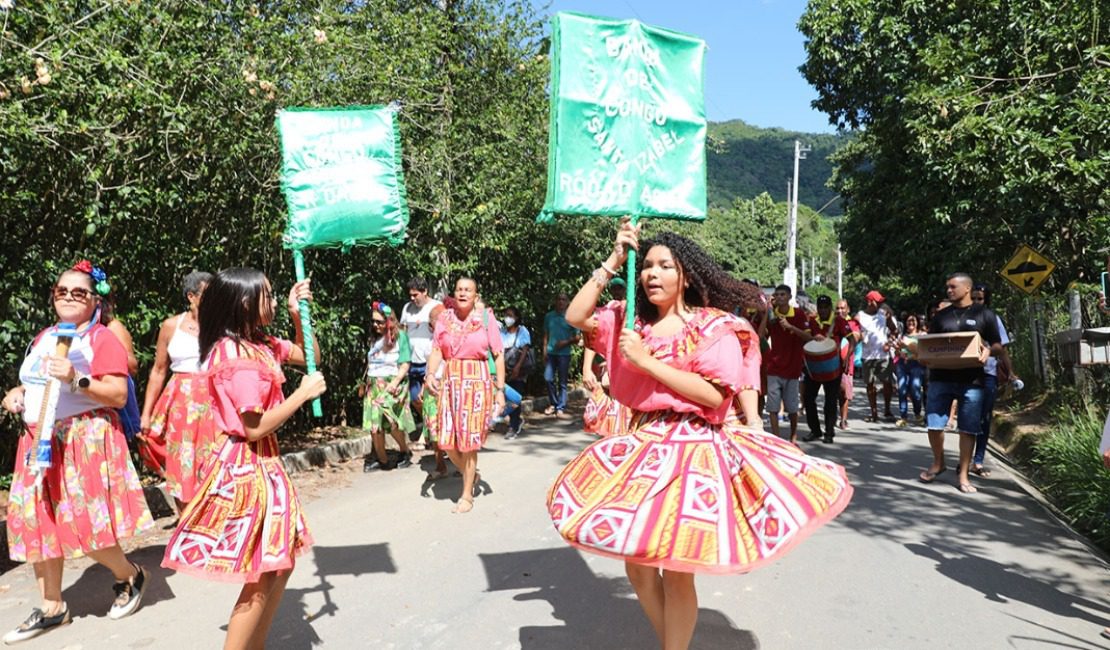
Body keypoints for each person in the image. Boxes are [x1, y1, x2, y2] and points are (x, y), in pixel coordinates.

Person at [548, 221, 853, 650]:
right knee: (636, 568)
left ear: (685, 275)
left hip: (693, 450)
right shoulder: (631, 322)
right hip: (643, 444)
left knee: (675, 568)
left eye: (664, 266)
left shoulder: (714, 327)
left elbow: (713, 397)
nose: (651, 274)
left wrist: (648, 363)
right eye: (647, 266)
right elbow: (575, 316)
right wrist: (615, 258)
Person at [162, 268, 326, 649]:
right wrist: (300, 396)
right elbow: (252, 428)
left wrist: (298, 313)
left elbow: (308, 356)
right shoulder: (234, 354)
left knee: (279, 565)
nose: (272, 302)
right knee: (261, 573)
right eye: (268, 296)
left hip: (264, 464)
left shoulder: (260, 343)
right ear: (246, 303)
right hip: (247, 465)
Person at [1, 261, 153, 644]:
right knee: (40, 525)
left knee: (88, 528)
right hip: (38, 440)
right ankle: (53, 608)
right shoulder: (43, 336)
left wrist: (76, 377)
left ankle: (130, 574)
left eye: (78, 292)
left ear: (93, 299)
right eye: (61, 291)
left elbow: (117, 394)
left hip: (82, 441)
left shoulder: (101, 338)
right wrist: (16, 394)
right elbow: (31, 382)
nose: (68, 297)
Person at [139, 271, 217, 514]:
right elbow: (158, 371)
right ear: (191, 297)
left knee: (214, 458)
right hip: (180, 403)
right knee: (181, 462)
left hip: (215, 400)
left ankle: (215, 520)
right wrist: (146, 414)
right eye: (208, 295)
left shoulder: (223, 326)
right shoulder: (171, 326)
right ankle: (187, 523)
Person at [425, 277, 505, 513]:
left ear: (475, 296)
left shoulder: (485, 318)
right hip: (450, 381)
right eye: (459, 289)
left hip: (476, 383)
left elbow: (498, 354)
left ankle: (466, 494)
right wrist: (431, 374)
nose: (462, 293)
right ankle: (472, 473)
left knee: (469, 442)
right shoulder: (444, 318)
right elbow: (437, 349)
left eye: (467, 290)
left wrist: (500, 390)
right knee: (446, 440)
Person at [917, 273, 1002, 494]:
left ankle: (963, 474)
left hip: (972, 380)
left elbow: (997, 345)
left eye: (953, 287)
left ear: (967, 289)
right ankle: (938, 462)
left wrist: (988, 351)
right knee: (934, 424)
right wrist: (923, 356)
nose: (949, 291)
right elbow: (929, 344)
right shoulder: (940, 317)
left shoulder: (985, 315)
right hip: (940, 378)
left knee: (968, 429)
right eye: (947, 287)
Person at [361, 301, 415, 471]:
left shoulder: (400, 337)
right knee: (374, 424)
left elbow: (405, 362)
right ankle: (382, 459)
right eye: (374, 321)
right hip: (374, 382)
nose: (376, 325)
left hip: (392, 382)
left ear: (389, 321)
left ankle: (404, 451)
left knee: (392, 422)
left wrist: (395, 382)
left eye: (380, 322)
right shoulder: (374, 337)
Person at [969, 284, 1014, 477]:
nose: (977, 302)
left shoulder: (993, 319)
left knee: (984, 418)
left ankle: (977, 460)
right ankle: (965, 459)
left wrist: (1011, 372)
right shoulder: (962, 318)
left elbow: (1002, 348)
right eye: (974, 298)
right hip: (966, 374)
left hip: (988, 374)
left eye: (980, 298)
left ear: (986, 300)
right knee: (968, 418)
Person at [802, 295, 853, 444]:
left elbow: (852, 340)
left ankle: (829, 432)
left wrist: (846, 358)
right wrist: (812, 338)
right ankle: (815, 430)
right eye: (820, 307)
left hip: (833, 366)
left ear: (830, 308)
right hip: (813, 367)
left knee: (830, 401)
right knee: (808, 398)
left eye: (825, 307)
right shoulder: (812, 321)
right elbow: (804, 337)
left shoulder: (839, 321)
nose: (823, 310)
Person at [765, 284, 812, 443]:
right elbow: (762, 335)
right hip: (774, 367)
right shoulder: (772, 315)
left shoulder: (798, 314)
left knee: (792, 408)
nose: (779, 298)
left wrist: (790, 327)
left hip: (792, 368)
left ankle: (793, 437)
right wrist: (767, 311)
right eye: (776, 295)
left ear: (790, 297)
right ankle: (776, 439)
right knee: (772, 407)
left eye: (782, 295)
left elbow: (808, 338)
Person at [400, 277, 444, 436]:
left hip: (431, 363)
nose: (412, 298)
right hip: (413, 360)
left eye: (415, 295)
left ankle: (433, 431)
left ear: (425, 291)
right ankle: (430, 427)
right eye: (410, 295)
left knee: (430, 399)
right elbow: (403, 332)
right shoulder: (407, 308)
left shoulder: (437, 307)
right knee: (415, 399)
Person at [856, 290, 897, 422]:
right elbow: (854, 332)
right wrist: (859, 336)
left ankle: (887, 409)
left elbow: (893, 330)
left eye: (880, 301)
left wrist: (889, 319)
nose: (880, 304)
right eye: (877, 301)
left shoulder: (883, 314)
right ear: (869, 301)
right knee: (870, 384)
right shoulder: (859, 316)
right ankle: (874, 412)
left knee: (887, 383)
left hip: (883, 354)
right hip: (868, 355)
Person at [542, 292, 580, 419]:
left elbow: (577, 337)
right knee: (548, 378)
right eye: (559, 299)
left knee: (562, 382)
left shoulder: (571, 317)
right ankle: (553, 403)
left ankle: (560, 407)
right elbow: (546, 334)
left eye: (563, 299)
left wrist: (566, 342)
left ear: (567, 302)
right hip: (551, 353)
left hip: (564, 354)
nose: (561, 301)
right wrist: (544, 350)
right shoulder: (549, 316)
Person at [500, 306, 533, 439]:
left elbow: (525, 350)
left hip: (518, 369)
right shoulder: (501, 331)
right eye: (506, 315)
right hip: (505, 368)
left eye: (510, 315)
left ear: (516, 318)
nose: (507, 318)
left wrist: (517, 367)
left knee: (515, 396)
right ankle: (515, 420)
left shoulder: (522, 331)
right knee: (506, 396)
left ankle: (513, 426)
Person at [894, 313, 926, 427]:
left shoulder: (922, 335)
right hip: (902, 364)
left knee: (915, 389)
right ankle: (903, 417)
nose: (911, 323)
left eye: (913, 321)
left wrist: (907, 347)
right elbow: (897, 352)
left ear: (917, 322)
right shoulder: (901, 336)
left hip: (916, 364)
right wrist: (898, 350)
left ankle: (917, 413)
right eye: (908, 321)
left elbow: (922, 352)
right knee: (902, 389)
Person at [835, 299, 861, 430]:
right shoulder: (832, 323)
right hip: (832, 363)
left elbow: (855, 338)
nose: (840, 311)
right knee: (833, 392)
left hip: (846, 363)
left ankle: (843, 419)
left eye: (842, 308)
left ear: (848, 309)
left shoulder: (853, 324)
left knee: (844, 393)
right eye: (837, 308)